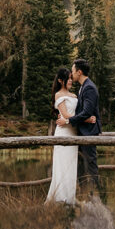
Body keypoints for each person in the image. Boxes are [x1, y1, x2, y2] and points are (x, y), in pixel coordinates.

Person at [58, 58, 101, 188]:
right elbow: (82, 112)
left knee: (91, 163)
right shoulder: (83, 87)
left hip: (89, 132)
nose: (71, 74)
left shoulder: (89, 88)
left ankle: (98, 194)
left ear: (79, 72)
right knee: (80, 165)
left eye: (73, 71)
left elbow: (87, 112)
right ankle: (83, 193)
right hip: (82, 131)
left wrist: (68, 120)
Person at [46, 68, 79, 204]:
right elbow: (65, 115)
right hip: (63, 133)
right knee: (62, 166)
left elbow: (72, 115)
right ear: (60, 80)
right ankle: (60, 199)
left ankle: (70, 198)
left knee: (71, 166)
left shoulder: (75, 96)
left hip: (74, 133)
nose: (71, 80)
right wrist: (85, 119)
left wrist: (78, 118)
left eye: (71, 78)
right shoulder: (58, 95)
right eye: (68, 78)